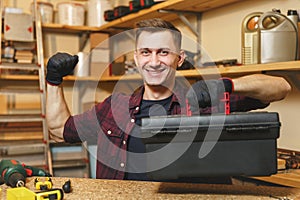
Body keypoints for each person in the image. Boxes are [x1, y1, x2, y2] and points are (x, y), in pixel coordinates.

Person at [46, 18, 291, 182]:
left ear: (179, 58)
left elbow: (280, 87)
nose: (154, 62)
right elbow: (58, 130)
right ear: (136, 57)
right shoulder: (114, 106)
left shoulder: (205, 99)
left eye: (163, 52)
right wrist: (53, 81)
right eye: (146, 52)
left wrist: (226, 85)